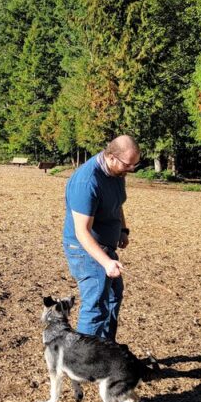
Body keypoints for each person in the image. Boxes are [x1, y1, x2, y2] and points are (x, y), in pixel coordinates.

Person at [62, 135, 140, 342]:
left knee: (114, 297)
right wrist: (106, 263)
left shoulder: (116, 172)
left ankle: (106, 351)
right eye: (128, 165)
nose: (130, 169)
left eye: (135, 165)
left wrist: (123, 229)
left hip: (106, 247)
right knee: (95, 306)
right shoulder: (87, 182)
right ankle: (83, 363)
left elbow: (117, 203)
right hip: (85, 250)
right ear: (111, 157)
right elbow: (82, 232)